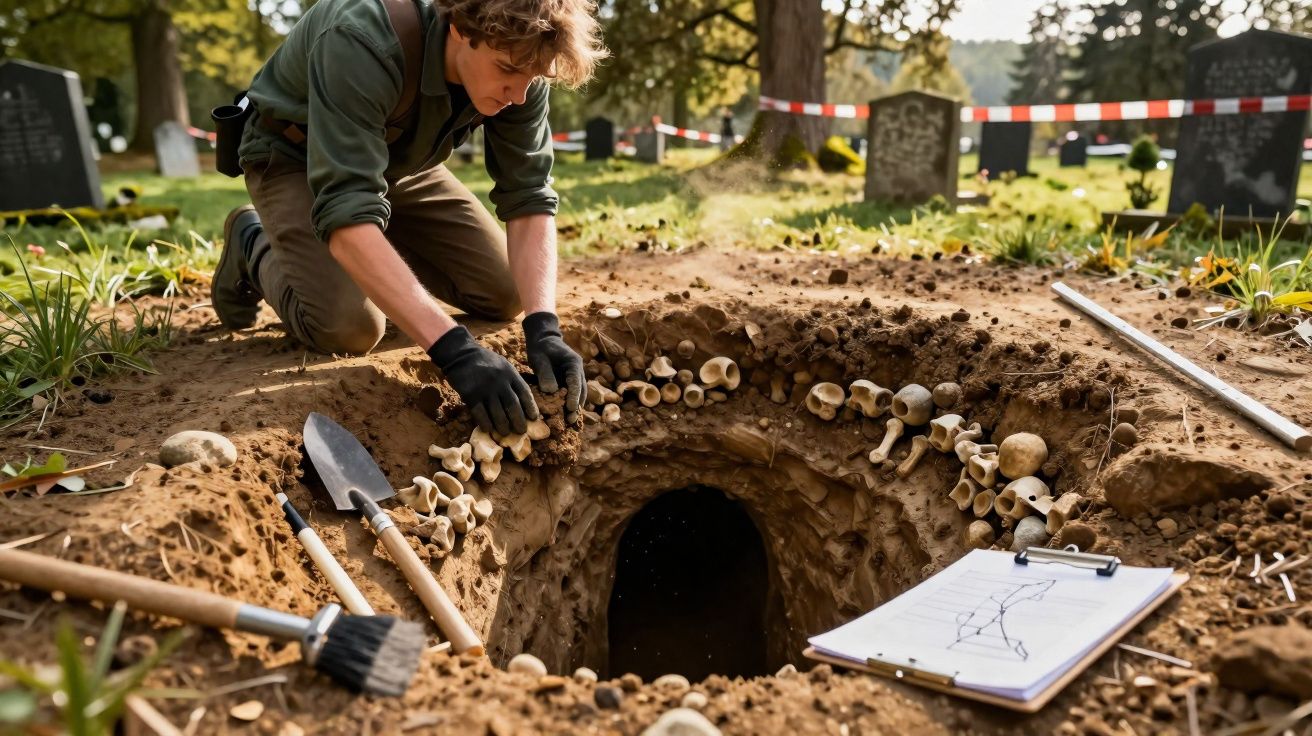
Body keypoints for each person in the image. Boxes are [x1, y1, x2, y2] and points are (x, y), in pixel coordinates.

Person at [213, 0, 607, 437]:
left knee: (510, 291)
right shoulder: (361, 39)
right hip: (294, 157)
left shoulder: (522, 57)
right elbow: (346, 218)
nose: (518, 94)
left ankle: (379, 248)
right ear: (460, 29)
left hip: (396, 163)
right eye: (506, 71)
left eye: (531, 78)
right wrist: (455, 350)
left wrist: (544, 326)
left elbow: (530, 196)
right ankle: (253, 243)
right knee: (350, 328)